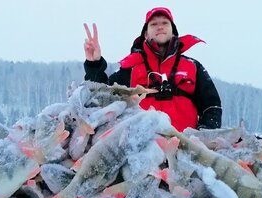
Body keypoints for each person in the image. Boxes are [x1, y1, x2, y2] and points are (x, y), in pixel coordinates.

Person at [83, 7, 222, 132]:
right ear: (146, 34)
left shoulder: (192, 66)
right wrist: (94, 63)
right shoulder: (131, 68)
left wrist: (204, 135)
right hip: (140, 150)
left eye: (165, 23)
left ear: (173, 32)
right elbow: (100, 97)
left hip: (185, 148)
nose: (160, 27)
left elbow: (212, 106)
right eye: (154, 24)